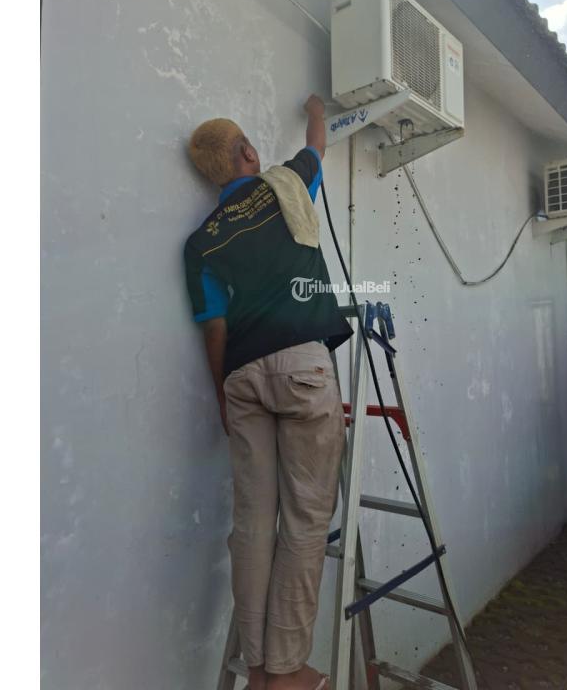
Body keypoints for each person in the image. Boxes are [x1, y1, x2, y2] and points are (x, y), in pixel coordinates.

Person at [183, 95, 352, 690]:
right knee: (305, 521)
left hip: (241, 379)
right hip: (302, 364)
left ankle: (256, 668)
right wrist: (315, 110)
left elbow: (214, 327)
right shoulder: (285, 185)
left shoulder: (200, 242)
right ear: (249, 153)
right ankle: (287, 671)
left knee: (253, 524)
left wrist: (222, 399)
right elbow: (316, 146)